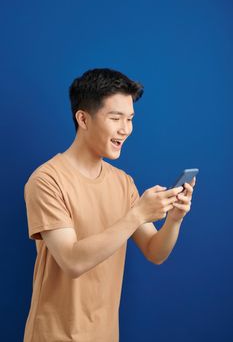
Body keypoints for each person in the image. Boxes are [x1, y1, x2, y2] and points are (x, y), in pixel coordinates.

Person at [23, 68, 196, 342]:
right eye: (115, 118)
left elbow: (155, 252)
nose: (125, 129)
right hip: (54, 335)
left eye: (129, 119)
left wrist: (174, 219)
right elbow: (72, 260)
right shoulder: (46, 180)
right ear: (83, 118)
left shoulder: (123, 182)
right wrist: (137, 214)